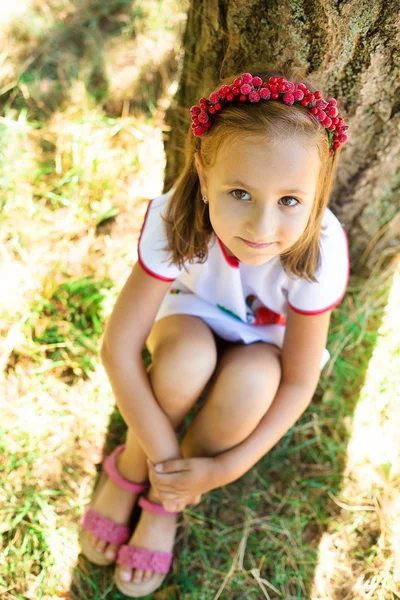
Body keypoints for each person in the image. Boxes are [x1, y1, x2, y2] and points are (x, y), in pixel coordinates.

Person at [79, 66, 350, 597]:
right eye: (240, 193)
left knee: (253, 383)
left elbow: (297, 382)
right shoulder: (176, 214)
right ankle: (130, 469)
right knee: (184, 362)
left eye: (290, 201)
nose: (262, 228)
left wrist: (222, 469)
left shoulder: (323, 249)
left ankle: (167, 502)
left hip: (264, 348)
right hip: (192, 315)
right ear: (204, 177)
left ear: (318, 193)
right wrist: (158, 452)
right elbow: (118, 348)